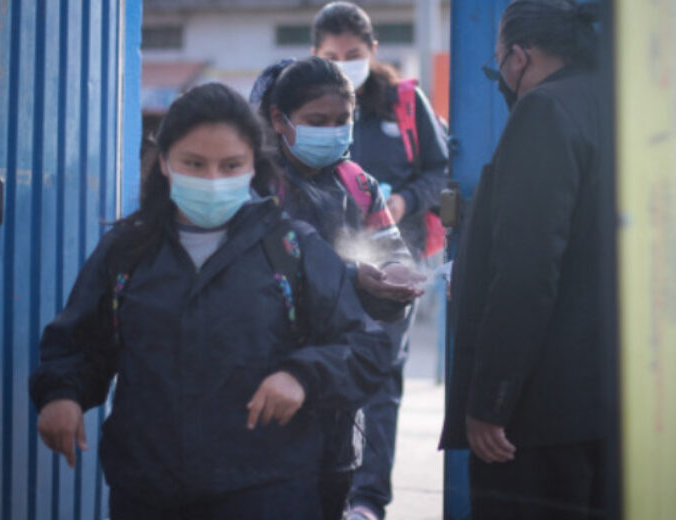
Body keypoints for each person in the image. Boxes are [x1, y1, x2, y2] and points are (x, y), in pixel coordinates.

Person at [29, 82, 390, 520]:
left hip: (270, 490)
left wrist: (302, 376)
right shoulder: (126, 251)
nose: (213, 180)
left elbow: (367, 347)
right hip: (148, 491)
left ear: (252, 166)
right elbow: (79, 343)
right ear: (165, 162)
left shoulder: (290, 248)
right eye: (194, 164)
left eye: (230, 165)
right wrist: (61, 395)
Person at [439, 1, 607, 519]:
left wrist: (491, 401)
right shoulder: (616, 102)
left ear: (519, 57)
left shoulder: (545, 111)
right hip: (609, 405)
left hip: (539, 415)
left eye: (498, 65)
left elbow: (526, 272)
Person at [250, 56, 426, 520]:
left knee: (330, 492)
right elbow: (261, 272)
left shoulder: (359, 184)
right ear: (279, 120)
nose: (331, 132)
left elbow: (389, 251)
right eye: (316, 121)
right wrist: (352, 276)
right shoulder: (255, 185)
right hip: (265, 381)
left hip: (338, 391)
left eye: (341, 121)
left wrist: (395, 278)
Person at [310, 4, 450, 519]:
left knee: (380, 378)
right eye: (331, 56)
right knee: (324, 371)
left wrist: (404, 202)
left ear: (372, 50)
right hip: (327, 265)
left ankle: (367, 501)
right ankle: (326, 491)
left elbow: (441, 168)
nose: (343, 64)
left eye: (353, 53)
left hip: (394, 260)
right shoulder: (308, 107)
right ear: (314, 55)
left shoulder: (405, 103)